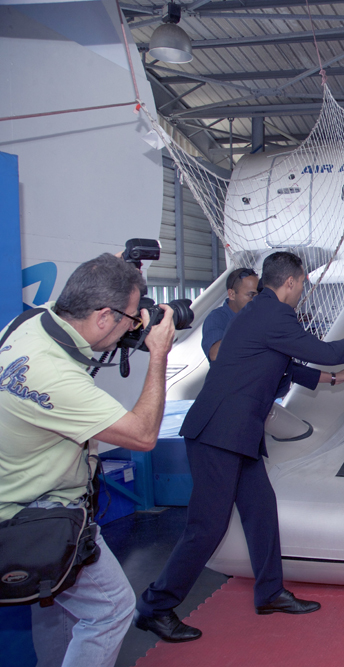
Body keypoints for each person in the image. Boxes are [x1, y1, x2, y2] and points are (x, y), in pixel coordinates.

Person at [134, 251, 344, 642]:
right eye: (303, 283)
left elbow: (286, 366)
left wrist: (333, 380)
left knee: (260, 510)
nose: (303, 290)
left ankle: (270, 592)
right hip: (218, 433)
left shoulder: (259, 314)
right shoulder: (273, 313)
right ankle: (155, 607)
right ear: (290, 281)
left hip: (237, 435)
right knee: (206, 528)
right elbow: (321, 351)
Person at [0, 253, 176, 667]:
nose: (135, 327)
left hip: (17, 495)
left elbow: (94, 298)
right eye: (132, 319)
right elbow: (143, 435)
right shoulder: (55, 377)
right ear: (103, 316)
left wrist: (115, 271)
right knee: (111, 609)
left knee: (60, 608)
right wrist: (158, 354)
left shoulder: (30, 323)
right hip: (39, 514)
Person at [201, 267, 258, 362]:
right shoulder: (216, 318)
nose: (256, 300)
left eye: (259, 295)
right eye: (251, 295)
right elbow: (215, 354)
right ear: (231, 294)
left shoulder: (258, 315)